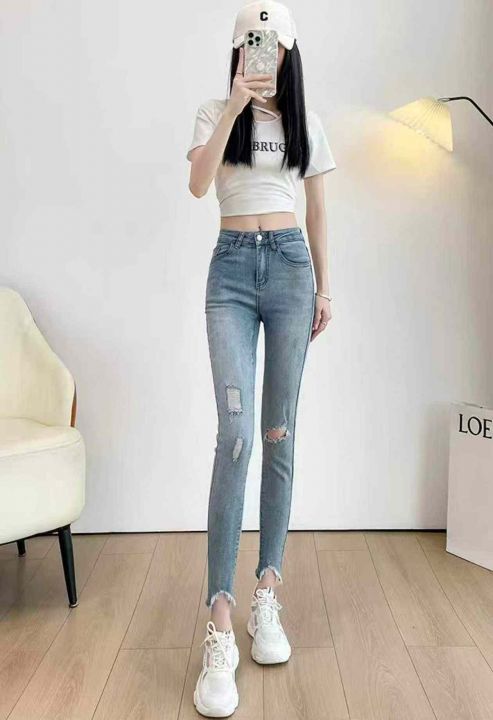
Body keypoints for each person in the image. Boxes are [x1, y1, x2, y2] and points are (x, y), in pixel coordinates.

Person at [186, 1, 336, 716]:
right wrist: (234, 107)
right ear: (238, 50)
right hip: (230, 274)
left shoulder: (305, 123)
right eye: (253, 43)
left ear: (289, 53)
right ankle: (220, 614)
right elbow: (197, 185)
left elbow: (318, 211)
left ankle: (266, 590)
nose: (263, 55)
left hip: (290, 272)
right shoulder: (213, 111)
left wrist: (325, 289)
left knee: (278, 435)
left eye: (273, 45)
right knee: (236, 435)